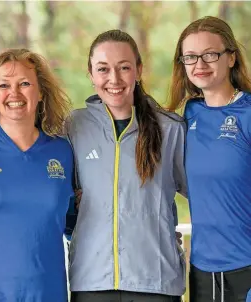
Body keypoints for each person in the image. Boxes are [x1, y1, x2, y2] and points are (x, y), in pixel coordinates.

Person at [66, 29, 186, 302]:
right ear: (90, 74)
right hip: (91, 281)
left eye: (124, 68)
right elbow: (60, 196)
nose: (114, 79)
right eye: (103, 69)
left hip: (156, 282)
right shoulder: (74, 127)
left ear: (139, 70)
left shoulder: (171, 129)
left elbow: (206, 193)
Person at [0, 48, 74, 301]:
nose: (14, 93)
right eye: (4, 85)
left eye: (24, 83)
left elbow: (78, 223)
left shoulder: (64, 151)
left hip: (48, 292)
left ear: (41, 92)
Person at [168, 16, 251, 302]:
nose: (199, 64)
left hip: (247, 267)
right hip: (202, 269)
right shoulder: (189, 114)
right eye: (190, 57)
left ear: (231, 58)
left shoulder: (248, 114)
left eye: (210, 54)